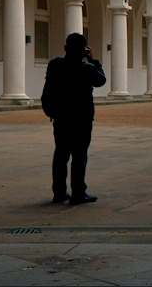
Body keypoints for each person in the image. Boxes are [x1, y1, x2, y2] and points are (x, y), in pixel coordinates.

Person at [41, 33, 107, 205]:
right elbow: (101, 80)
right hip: (82, 118)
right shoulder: (87, 68)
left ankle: (59, 192)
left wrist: (50, 110)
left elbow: (47, 88)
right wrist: (93, 60)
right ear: (84, 50)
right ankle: (78, 193)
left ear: (65, 48)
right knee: (79, 156)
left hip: (61, 116)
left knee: (60, 155)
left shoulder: (55, 65)